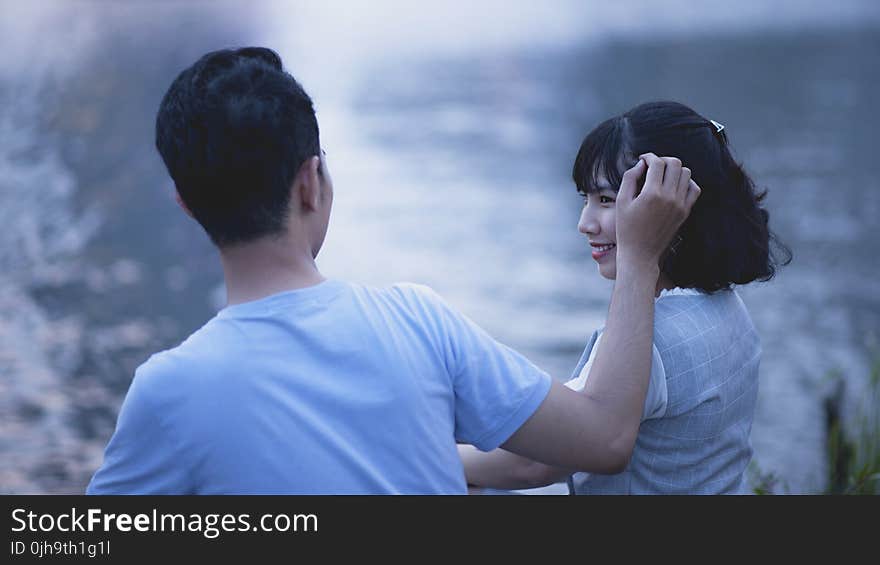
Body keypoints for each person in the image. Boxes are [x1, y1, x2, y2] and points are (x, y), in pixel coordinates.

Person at [86, 49, 699, 494]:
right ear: (310, 182)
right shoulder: (415, 322)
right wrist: (642, 259)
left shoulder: (165, 393)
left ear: (187, 206)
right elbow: (604, 440)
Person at [459, 101, 791, 494]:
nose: (585, 224)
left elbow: (534, 463)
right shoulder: (727, 308)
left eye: (607, 200)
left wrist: (430, 455)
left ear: (669, 207)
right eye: (587, 199)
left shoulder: (649, 345)